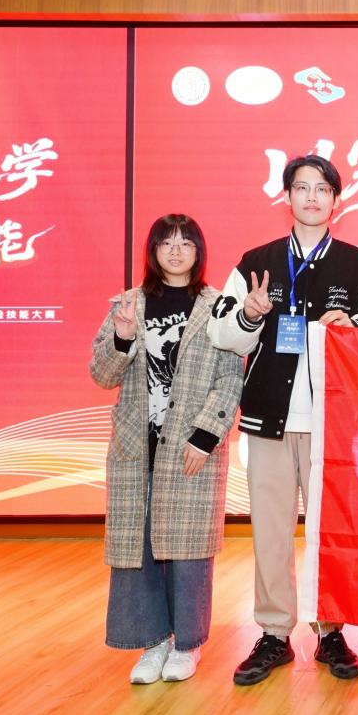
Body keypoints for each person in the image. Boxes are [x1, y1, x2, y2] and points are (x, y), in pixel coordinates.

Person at [208, 154, 358, 684]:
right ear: (287, 196)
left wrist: (352, 324)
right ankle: (273, 633)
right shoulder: (256, 262)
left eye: (322, 189)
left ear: (336, 200)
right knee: (270, 532)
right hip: (267, 418)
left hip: (331, 423)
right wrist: (250, 313)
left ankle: (330, 630)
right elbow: (221, 333)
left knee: (328, 533)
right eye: (302, 188)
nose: (312, 197)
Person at [90, 214, 242, 685]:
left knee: (188, 550)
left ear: (199, 251)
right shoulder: (128, 304)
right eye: (166, 242)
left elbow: (230, 379)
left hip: (191, 446)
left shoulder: (218, 306)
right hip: (138, 447)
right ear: (153, 250)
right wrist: (122, 337)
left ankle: (187, 644)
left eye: (185, 243)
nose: (176, 251)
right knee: (137, 547)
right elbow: (102, 374)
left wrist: (205, 436)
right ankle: (152, 641)